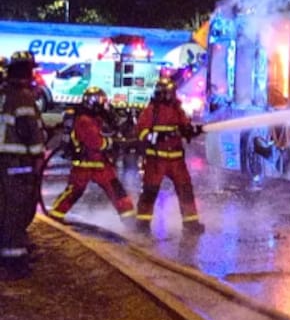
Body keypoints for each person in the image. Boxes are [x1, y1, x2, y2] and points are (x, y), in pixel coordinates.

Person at [49, 87, 136, 223]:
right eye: (101, 100)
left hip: (100, 164)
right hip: (85, 164)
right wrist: (113, 142)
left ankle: (130, 221)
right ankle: (55, 216)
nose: (103, 104)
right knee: (74, 192)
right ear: (92, 102)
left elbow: (109, 132)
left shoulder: (96, 118)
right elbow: (96, 142)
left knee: (117, 191)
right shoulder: (84, 120)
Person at [135, 77, 204, 235]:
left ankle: (191, 223)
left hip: (176, 160)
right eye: (167, 93)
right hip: (156, 160)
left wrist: (191, 130)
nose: (169, 96)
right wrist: (159, 136)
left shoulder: (177, 109)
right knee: (150, 191)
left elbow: (184, 126)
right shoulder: (151, 110)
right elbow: (142, 132)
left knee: (185, 189)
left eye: (171, 93)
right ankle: (142, 224)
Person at [0, 51, 46, 277]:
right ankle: (14, 261)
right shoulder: (23, 97)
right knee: (16, 211)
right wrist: (38, 157)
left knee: (5, 209)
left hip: (4, 162)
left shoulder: (5, 95)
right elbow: (31, 131)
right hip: (17, 164)